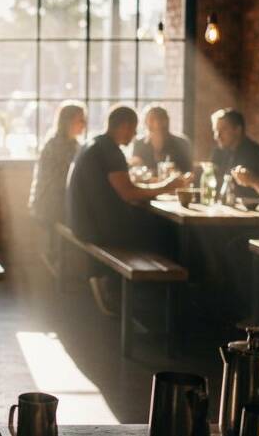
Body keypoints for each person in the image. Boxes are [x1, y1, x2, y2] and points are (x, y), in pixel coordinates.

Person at [66, 106, 192, 315]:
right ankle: (166, 305)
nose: (135, 135)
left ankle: (150, 296)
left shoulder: (94, 143)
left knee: (155, 228)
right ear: (124, 126)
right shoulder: (110, 150)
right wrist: (168, 186)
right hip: (97, 229)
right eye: (133, 129)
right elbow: (129, 193)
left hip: (81, 222)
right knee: (167, 233)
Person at [29, 101, 86, 226]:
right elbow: (61, 181)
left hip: (61, 200)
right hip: (52, 205)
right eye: (81, 120)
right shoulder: (56, 145)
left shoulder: (74, 144)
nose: (84, 124)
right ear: (68, 121)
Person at [210, 108, 259, 197]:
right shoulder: (219, 152)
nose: (217, 135)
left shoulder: (255, 154)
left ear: (237, 130)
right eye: (215, 130)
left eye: (223, 129)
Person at [130, 105, 192, 176]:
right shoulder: (139, 144)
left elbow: (188, 171)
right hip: (147, 186)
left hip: (174, 184)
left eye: (156, 119)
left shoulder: (181, 142)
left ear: (166, 121)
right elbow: (135, 170)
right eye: (148, 119)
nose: (150, 122)